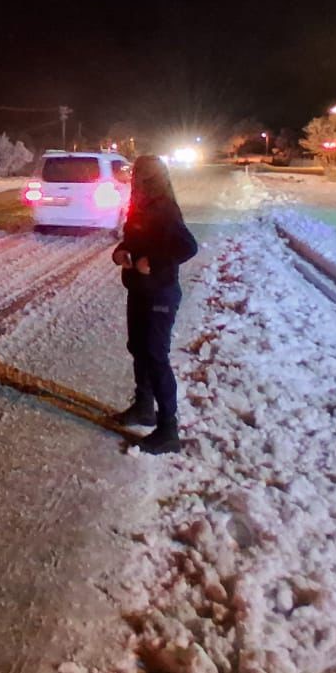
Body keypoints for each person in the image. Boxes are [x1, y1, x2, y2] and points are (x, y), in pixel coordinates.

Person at [111, 154, 198, 453]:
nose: (134, 179)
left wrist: (155, 262)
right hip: (139, 289)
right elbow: (131, 239)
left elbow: (188, 246)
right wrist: (122, 251)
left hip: (160, 293)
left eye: (139, 174)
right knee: (138, 348)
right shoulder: (140, 206)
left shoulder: (164, 207)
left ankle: (168, 428)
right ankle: (144, 407)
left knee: (155, 356)